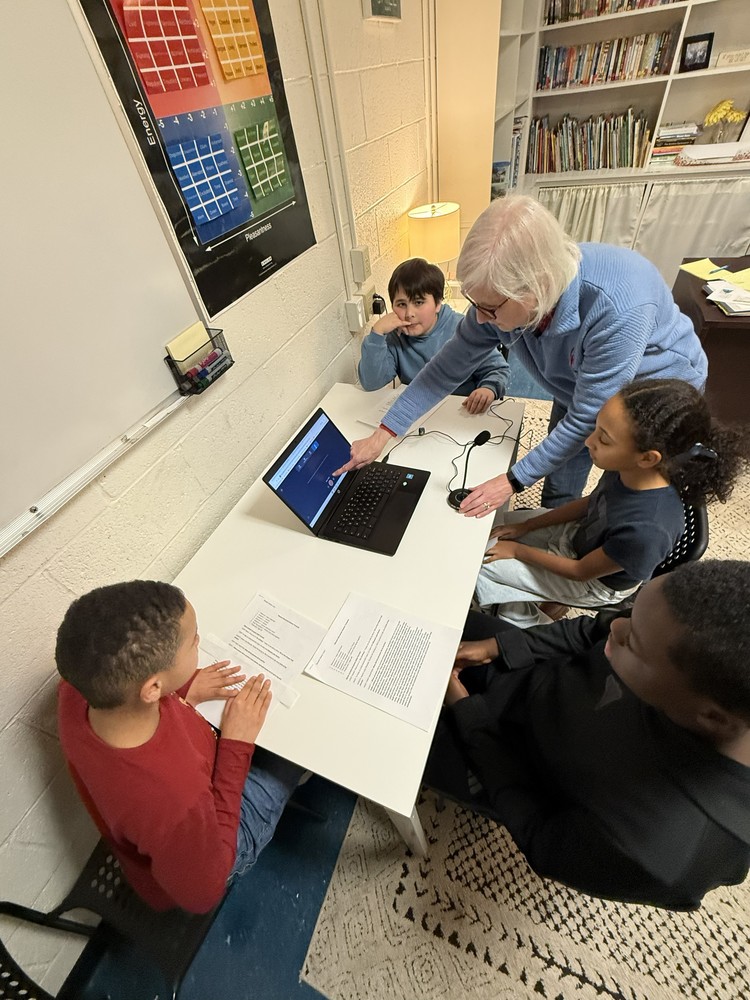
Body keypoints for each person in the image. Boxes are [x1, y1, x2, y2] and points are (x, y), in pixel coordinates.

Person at [334, 195, 708, 512]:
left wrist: (512, 480)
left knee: (623, 491)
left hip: (653, 394)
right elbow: (444, 369)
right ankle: (554, 518)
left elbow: (587, 418)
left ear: (538, 288)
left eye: (491, 309)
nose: (480, 318)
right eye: (474, 302)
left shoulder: (618, 304)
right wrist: (384, 433)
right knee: (563, 479)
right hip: (579, 383)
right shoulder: (505, 300)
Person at [423, 559, 750, 910]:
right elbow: (592, 630)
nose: (616, 627)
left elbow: (540, 834)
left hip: (507, 766)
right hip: (529, 678)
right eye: (630, 611)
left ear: (712, 717)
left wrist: (469, 715)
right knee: (424, 615)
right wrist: (498, 647)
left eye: (633, 643)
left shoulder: (659, 852)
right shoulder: (658, 636)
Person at [56, 580, 305, 914]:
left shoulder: (76, 692)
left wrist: (182, 688)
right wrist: (236, 743)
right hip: (213, 850)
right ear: (152, 688)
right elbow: (204, 893)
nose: (199, 641)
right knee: (295, 749)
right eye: (194, 641)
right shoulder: (172, 800)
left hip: (184, 805)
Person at [475, 378, 749, 626]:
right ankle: (519, 602)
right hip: (581, 538)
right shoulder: (628, 468)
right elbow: (592, 503)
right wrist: (528, 526)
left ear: (647, 458)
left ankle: (530, 630)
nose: (588, 441)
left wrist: (518, 551)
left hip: (593, 581)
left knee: (477, 570)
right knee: (494, 528)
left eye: (603, 440)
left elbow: (581, 572)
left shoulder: (647, 531)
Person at [358, 257, 509, 415]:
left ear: (438, 304)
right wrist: (377, 333)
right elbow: (371, 383)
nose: (409, 314)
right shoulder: (395, 336)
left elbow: (498, 370)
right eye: (401, 304)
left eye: (418, 303)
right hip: (419, 416)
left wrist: (488, 388)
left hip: (462, 413)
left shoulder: (464, 330)